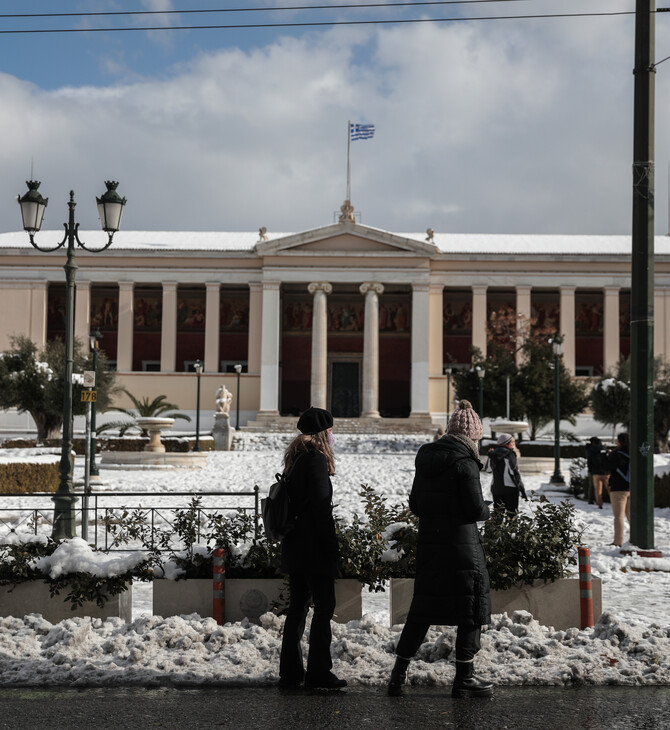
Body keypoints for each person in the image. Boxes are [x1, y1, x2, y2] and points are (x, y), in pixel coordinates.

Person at [387, 399, 493, 699]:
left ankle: (397, 676)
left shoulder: (426, 458)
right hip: (462, 547)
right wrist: (486, 509)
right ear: (472, 436)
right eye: (478, 437)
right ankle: (464, 678)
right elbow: (474, 508)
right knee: (471, 609)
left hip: (431, 544)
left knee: (422, 610)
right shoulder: (466, 462)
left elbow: (415, 504)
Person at [278, 406, 346, 690]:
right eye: (330, 431)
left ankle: (291, 671)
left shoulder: (295, 458)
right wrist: (333, 549)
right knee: (324, 606)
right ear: (322, 433)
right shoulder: (315, 460)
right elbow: (321, 510)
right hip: (313, 546)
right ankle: (319, 670)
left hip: (295, 544)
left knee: (298, 607)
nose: (332, 436)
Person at [488, 433, 527, 513]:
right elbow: (514, 473)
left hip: (496, 489)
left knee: (498, 515)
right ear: (507, 443)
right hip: (510, 489)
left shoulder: (492, 454)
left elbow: (488, 470)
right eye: (512, 442)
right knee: (512, 515)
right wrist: (522, 490)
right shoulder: (510, 454)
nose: (513, 444)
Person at [605, 432, 631, 547]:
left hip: (618, 489)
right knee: (631, 516)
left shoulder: (616, 454)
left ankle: (618, 541)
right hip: (632, 488)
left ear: (619, 441)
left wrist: (608, 455)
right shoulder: (634, 452)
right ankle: (636, 539)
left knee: (619, 516)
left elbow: (606, 467)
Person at [585, 436, 609, 508]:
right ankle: (613, 501)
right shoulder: (603, 449)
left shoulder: (590, 450)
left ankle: (599, 503)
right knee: (609, 488)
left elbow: (589, 461)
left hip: (595, 472)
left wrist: (590, 470)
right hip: (605, 472)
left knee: (597, 489)